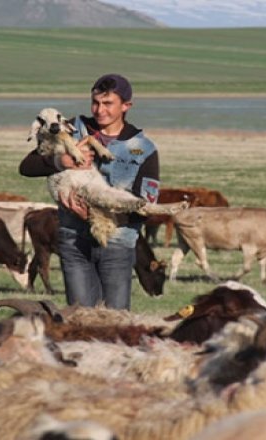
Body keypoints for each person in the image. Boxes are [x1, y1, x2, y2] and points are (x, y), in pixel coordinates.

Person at [19, 73, 160, 310]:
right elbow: (26, 167)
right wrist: (60, 161)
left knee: (115, 321)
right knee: (79, 317)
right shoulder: (70, 128)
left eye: (108, 104)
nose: (99, 110)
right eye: (95, 102)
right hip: (73, 242)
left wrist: (96, 215)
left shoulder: (143, 148)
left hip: (116, 244)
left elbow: (146, 205)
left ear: (127, 106)